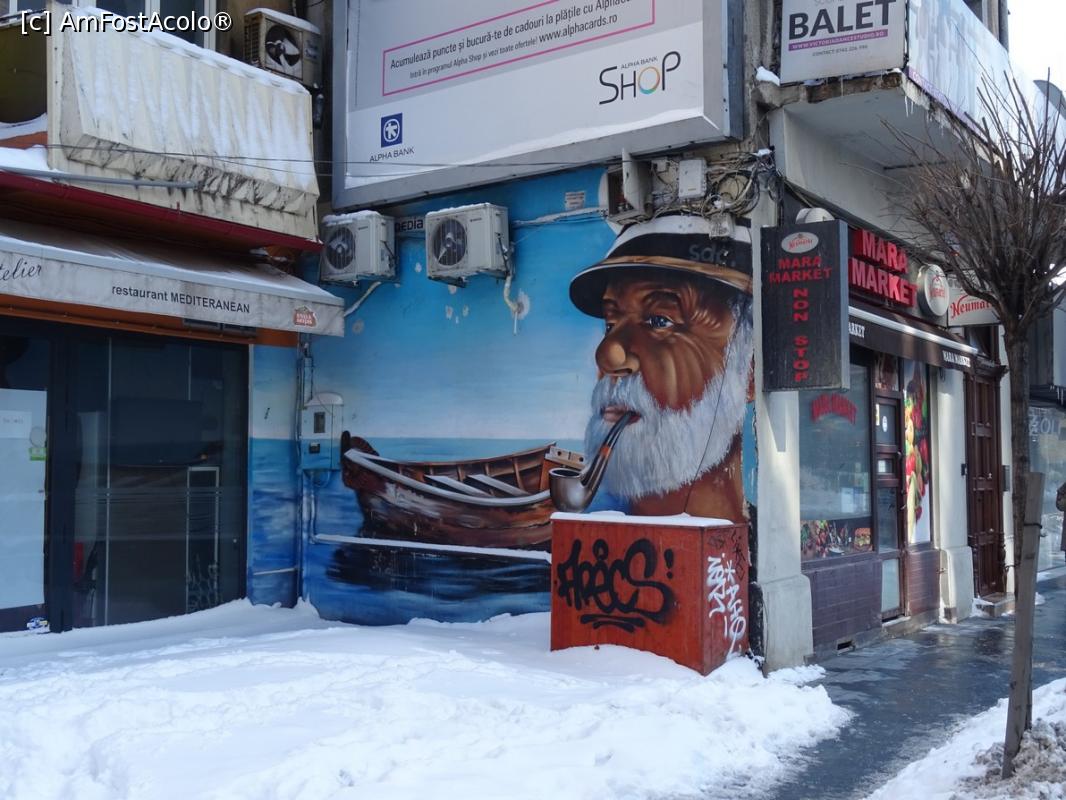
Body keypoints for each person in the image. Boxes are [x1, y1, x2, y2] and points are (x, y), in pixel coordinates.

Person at [570, 215, 754, 521]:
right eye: (610, 324)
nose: (608, 356)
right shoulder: (594, 525)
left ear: (749, 372)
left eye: (659, 321)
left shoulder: (772, 542)